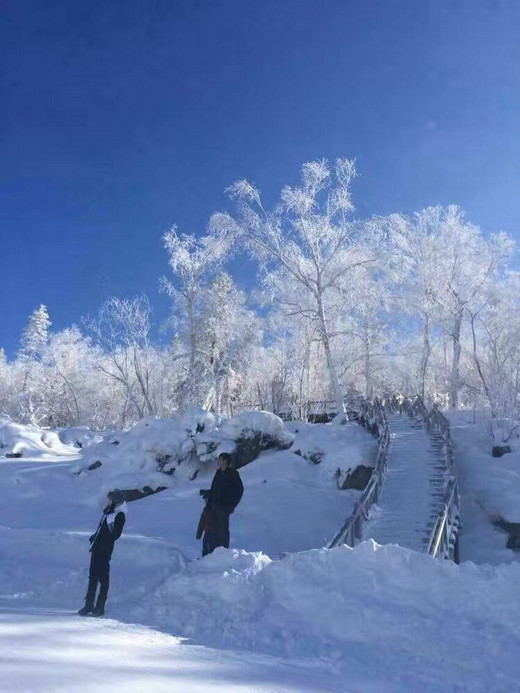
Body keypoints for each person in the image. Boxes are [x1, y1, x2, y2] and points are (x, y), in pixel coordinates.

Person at [78, 493, 126, 617]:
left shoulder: (119, 515)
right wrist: (94, 537)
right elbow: (100, 530)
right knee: (92, 576)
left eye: (111, 500)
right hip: (96, 548)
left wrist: (104, 537)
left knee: (103, 578)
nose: (108, 502)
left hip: (105, 549)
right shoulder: (108, 513)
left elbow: (115, 535)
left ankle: (100, 607)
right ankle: (89, 605)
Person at [198, 452, 244, 556]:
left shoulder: (233, 474)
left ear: (226, 461)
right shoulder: (218, 473)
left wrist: (229, 505)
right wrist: (208, 493)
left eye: (220, 460)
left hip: (223, 509)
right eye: (218, 459)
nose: (218, 462)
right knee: (209, 532)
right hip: (213, 507)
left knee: (221, 533)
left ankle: (221, 556)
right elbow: (216, 490)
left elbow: (239, 491)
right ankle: (207, 555)